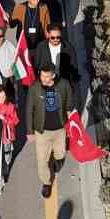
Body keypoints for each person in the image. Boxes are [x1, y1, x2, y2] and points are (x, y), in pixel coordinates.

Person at [26, 63, 77, 198]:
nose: (43, 78)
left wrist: (70, 115)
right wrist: (30, 131)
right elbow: (29, 109)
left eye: (46, 76)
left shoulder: (64, 85)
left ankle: (55, 163)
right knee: (41, 160)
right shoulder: (35, 88)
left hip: (60, 129)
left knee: (60, 155)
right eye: (41, 75)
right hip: (42, 131)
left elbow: (70, 102)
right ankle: (46, 182)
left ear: (53, 75)